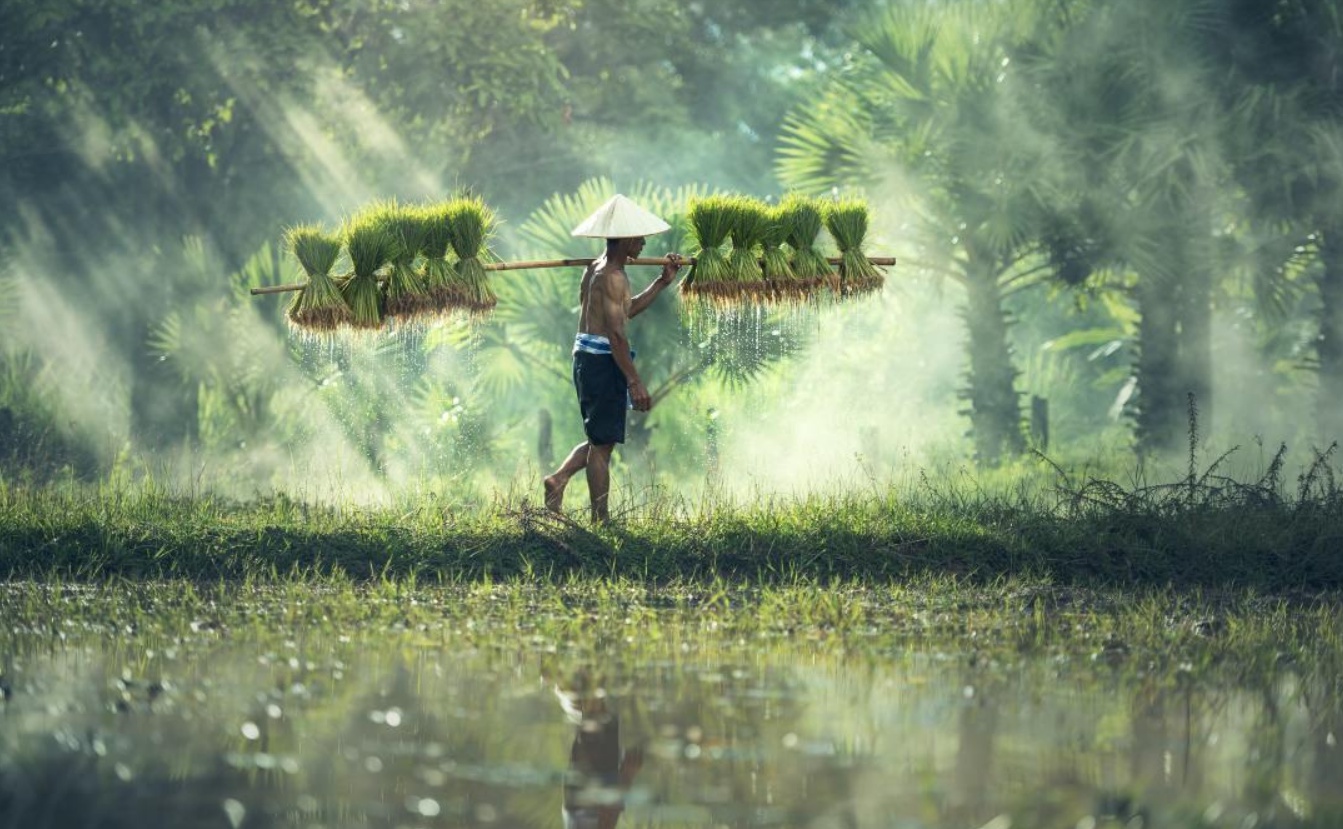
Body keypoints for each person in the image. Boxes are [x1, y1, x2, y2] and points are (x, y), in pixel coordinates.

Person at [544, 194, 683, 522]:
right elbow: (617, 335)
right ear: (624, 240)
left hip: (587, 355)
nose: (644, 243)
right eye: (638, 237)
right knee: (603, 447)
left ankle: (557, 480)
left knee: (599, 438)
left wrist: (662, 283)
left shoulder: (597, 268)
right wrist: (634, 381)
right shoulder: (613, 277)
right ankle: (600, 520)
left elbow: (626, 310)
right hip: (600, 360)